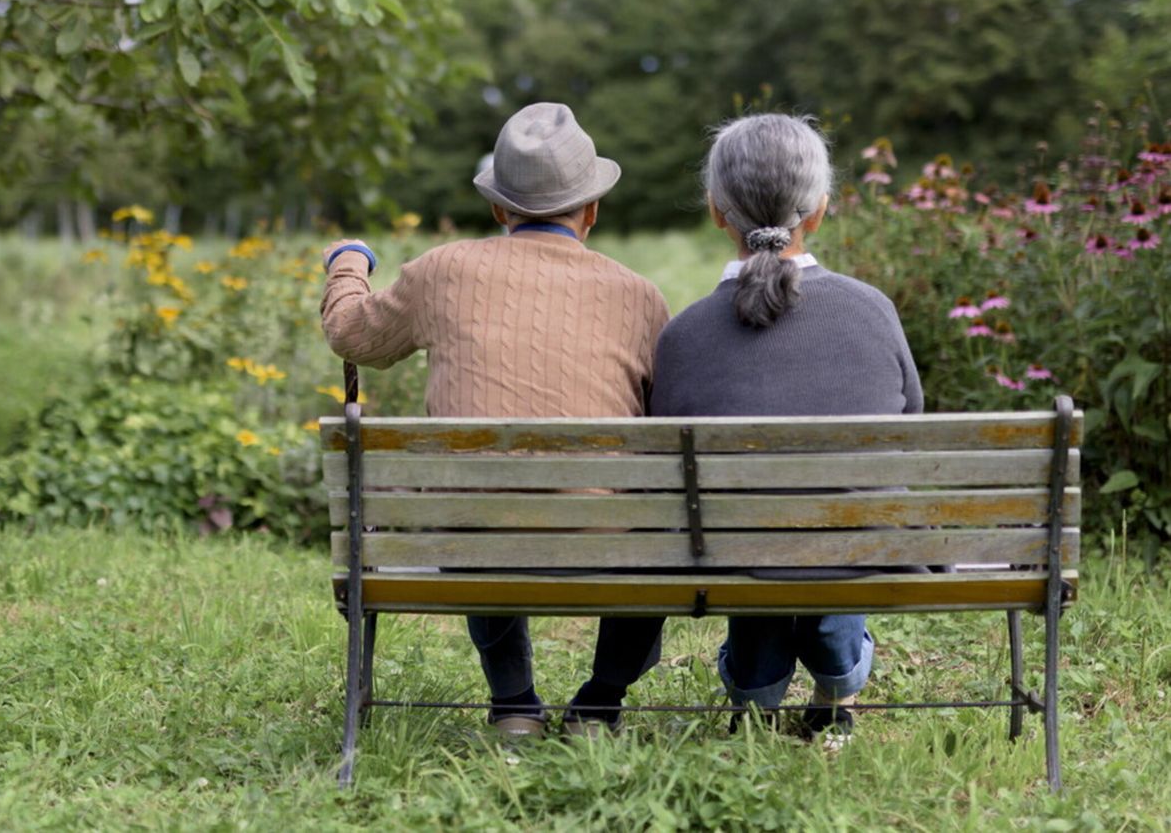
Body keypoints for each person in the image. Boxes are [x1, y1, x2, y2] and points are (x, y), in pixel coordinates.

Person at [320, 102, 670, 737]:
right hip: (607, 546)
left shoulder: (441, 271)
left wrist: (347, 262)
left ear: (498, 210)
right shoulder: (640, 295)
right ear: (592, 210)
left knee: (480, 499)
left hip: (468, 544)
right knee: (656, 528)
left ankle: (514, 704)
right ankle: (599, 704)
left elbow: (352, 336)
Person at [650, 113, 923, 742]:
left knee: (751, 527)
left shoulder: (685, 333)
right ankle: (835, 686)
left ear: (718, 211)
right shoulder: (871, 311)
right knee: (837, 523)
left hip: (728, 553)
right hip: (854, 549)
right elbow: (910, 428)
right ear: (820, 210)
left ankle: (754, 693)